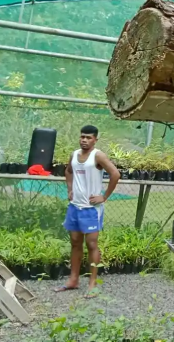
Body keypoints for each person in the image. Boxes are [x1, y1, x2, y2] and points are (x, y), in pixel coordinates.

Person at [55, 125, 120, 296]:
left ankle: (92, 283)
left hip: (91, 209)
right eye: (82, 137)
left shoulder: (97, 156)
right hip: (75, 206)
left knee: (92, 244)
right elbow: (68, 171)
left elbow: (115, 174)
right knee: (75, 242)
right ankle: (73, 280)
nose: (84, 140)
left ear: (95, 140)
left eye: (89, 137)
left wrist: (104, 196)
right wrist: (69, 189)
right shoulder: (74, 155)